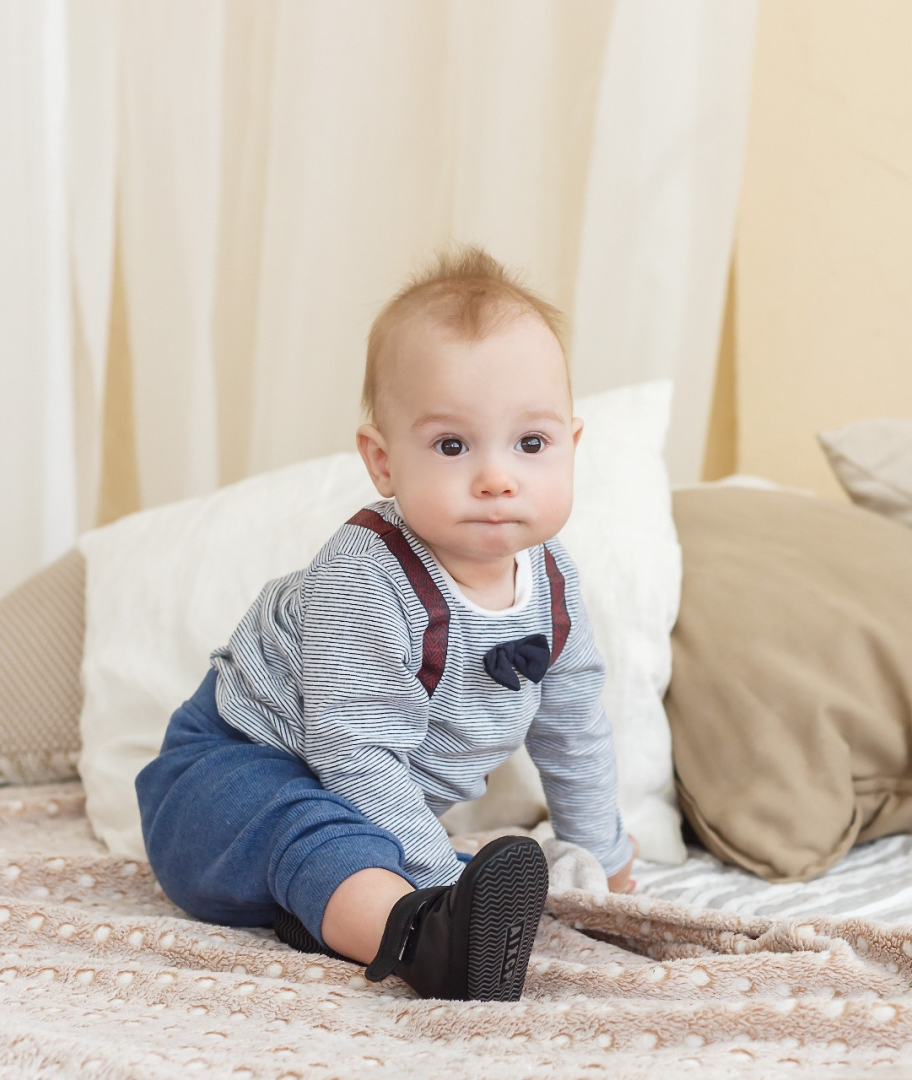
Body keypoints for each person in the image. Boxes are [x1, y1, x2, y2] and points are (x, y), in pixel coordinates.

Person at [135, 246, 635, 1002]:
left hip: (357, 813)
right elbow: (356, 753)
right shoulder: (367, 573)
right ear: (383, 462)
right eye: (452, 445)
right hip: (223, 782)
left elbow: (574, 729)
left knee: (353, 851)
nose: (497, 477)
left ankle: (344, 918)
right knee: (316, 832)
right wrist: (435, 877)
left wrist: (607, 860)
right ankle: (431, 940)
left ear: (571, 445)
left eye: (531, 444)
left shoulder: (554, 583)